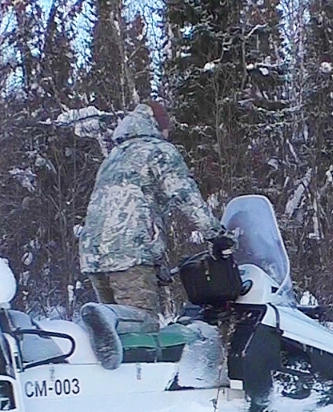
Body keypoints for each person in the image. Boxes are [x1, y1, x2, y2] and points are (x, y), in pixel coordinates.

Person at [77, 101, 232, 369]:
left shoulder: (114, 157)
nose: (169, 131)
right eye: (167, 125)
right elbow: (184, 194)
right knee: (144, 323)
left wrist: (157, 262)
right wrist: (215, 234)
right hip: (128, 254)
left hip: (92, 254)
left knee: (119, 338)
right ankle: (105, 316)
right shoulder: (158, 151)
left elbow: (132, 209)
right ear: (158, 125)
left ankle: (121, 393)